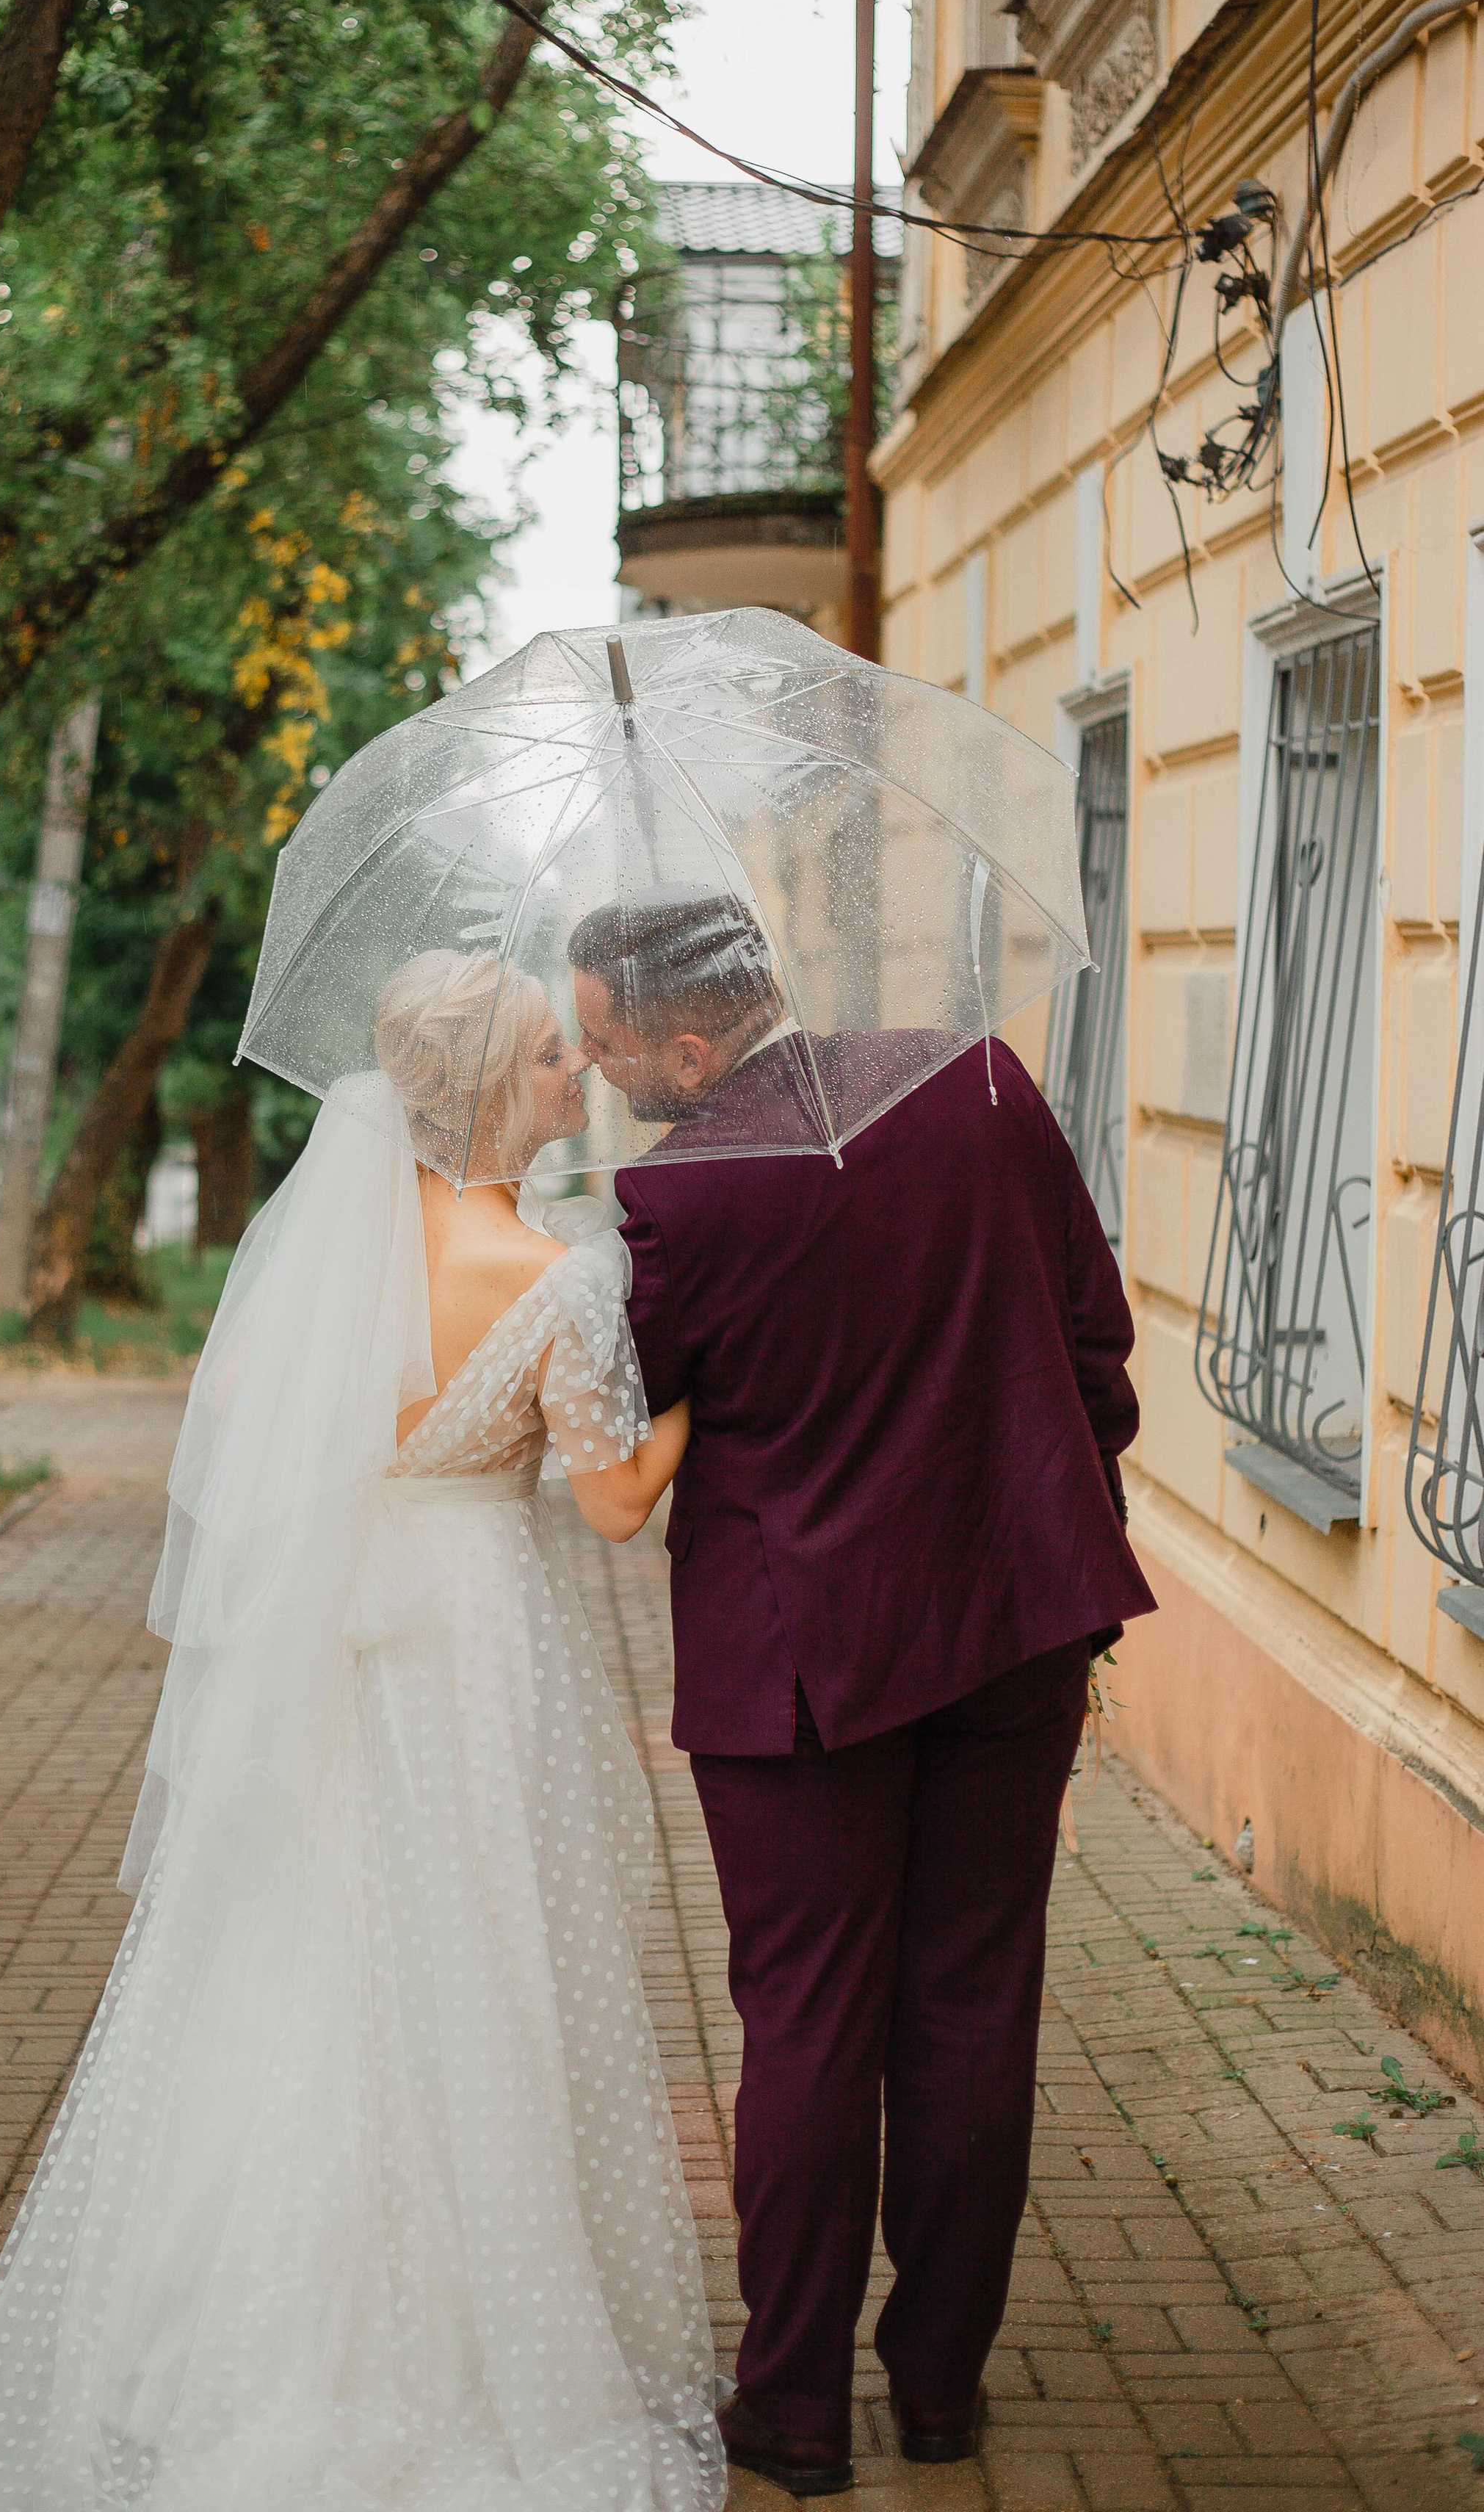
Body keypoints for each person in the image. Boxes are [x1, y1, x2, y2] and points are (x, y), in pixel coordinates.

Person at [0, 948, 726, 2512]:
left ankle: (252, 2357)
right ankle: (459, 2362)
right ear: (480, 1092)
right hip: (470, 1631)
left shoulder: (344, 1253)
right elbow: (612, 1505)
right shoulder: (563, 1276)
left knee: (308, 1960)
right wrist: (695, 1399)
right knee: (471, 1969)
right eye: (544, 1058)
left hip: (343, 1620)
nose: (573, 1074)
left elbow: (241, 1399)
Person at [569, 893, 1156, 2496]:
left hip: (800, 1664)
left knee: (810, 2022)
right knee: (972, 1999)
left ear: (688, 1045)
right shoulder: (973, 1082)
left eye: (604, 1040)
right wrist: (1044, 1513)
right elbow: (1095, 1342)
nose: (591, 1063)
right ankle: (942, 2392)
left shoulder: (674, 1194)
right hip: (1016, 1623)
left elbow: (637, 1410)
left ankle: (793, 2409)